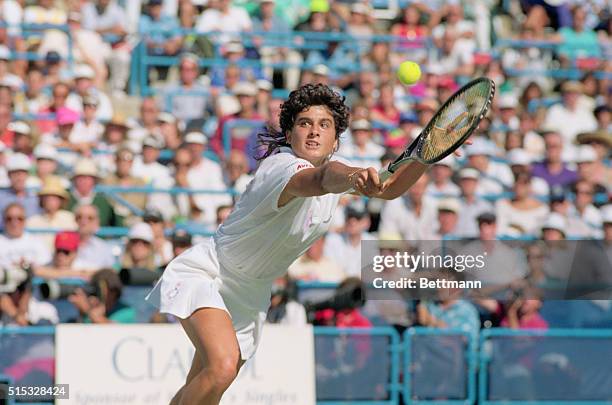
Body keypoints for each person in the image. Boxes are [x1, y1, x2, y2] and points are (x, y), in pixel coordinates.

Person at [145, 84, 439, 404]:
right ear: (289, 134)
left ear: (335, 140)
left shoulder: (337, 180)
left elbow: (390, 188)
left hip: (251, 292)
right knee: (222, 367)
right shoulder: (281, 167)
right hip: (210, 272)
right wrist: (355, 174)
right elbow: (322, 178)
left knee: (205, 387)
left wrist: (430, 154)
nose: (314, 132)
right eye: (304, 123)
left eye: (324, 125)